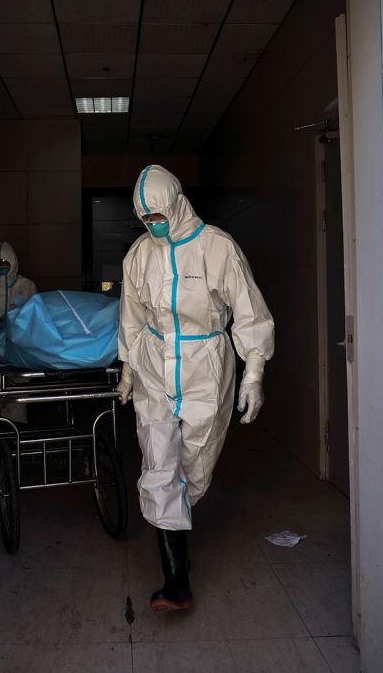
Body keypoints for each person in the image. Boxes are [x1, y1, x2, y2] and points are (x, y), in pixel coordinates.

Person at [116, 165, 275, 613]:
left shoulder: (217, 247)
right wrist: (128, 369)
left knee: (195, 465)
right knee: (158, 462)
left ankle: (177, 540)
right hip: (153, 362)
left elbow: (250, 313)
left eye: (158, 215)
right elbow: (129, 315)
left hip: (206, 364)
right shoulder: (138, 254)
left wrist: (255, 372)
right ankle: (176, 580)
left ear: (177, 202)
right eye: (145, 219)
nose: (153, 225)